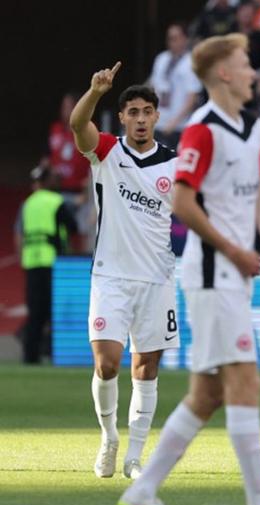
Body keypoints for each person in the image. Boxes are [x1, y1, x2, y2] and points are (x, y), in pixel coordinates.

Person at [118, 34, 260, 505]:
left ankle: (143, 491)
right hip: (212, 272)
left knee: (207, 394)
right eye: (245, 64)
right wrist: (235, 249)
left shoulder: (253, 126)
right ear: (223, 73)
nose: (253, 72)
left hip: (235, 270)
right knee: (246, 380)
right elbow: (182, 203)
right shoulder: (201, 130)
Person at [69, 63, 178, 481]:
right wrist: (95, 91)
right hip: (111, 277)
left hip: (157, 279)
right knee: (108, 364)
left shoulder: (174, 164)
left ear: (155, 116)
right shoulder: (107, 151)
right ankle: (109, 438)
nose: (139, 118)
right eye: (131, 112)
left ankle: (134, 456)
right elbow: (78, 123)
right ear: (122, 118)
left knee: (146, 368)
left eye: (146, 111)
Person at [14, 166, 77, 364]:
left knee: (35, 311)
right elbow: (72, 227)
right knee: (54, 309)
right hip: (53, 261)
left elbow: (19, 232)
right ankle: (53, 352)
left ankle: (30, 356)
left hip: (32, 260)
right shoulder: (56, 202)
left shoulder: (28, 204)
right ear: (49, 181)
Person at [148, 23, 203, 148]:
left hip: (179, 126)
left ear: (185, 39)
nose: (172, 42)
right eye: (170, 38)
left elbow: (192, 98)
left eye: (176, 38)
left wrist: (173, 124)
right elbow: (152, 89)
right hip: (158, 122)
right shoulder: (161, 59)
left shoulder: (191, 62)